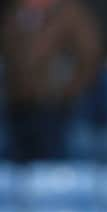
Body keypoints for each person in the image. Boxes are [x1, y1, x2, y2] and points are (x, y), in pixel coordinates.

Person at [0, 0, 101, 161]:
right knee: (18, 163)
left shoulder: (70, 13)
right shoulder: (15, 12)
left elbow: (88, 54)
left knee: (53, 164)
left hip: (54, 104)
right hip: (17, 102)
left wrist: (67, 89)